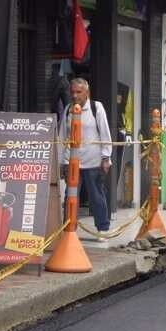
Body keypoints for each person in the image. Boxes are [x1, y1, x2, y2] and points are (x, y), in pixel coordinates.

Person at [61, 78, 113, 240]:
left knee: (96, 195)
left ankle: (102, 228)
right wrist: (62, 162)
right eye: (73, 92)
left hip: (93, 161)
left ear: (87, 93)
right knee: (70, 197)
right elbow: (63, 136)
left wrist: (106, 157)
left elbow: (105, 132)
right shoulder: (68, 109)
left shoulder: (96, 108)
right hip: (72, 161)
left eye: (79, 92)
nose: (75, 96)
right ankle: (69, 228)